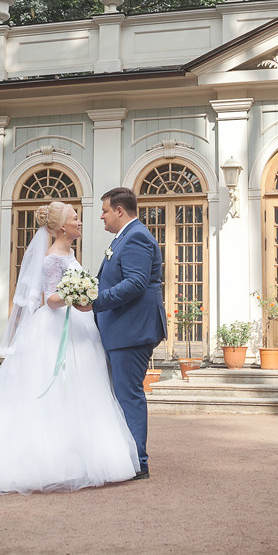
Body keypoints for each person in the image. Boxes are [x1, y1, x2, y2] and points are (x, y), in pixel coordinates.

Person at [0, 201, 139, 494]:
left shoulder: (70, 253)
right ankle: (47, 460)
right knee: (53, 388)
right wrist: (75, 293)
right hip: (55, 326)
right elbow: (50, 298)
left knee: (82, 388)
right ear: (63, 227)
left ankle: (77, 456)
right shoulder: (51, 259)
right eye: (75, 218)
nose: (80, 222)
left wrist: (82, 292)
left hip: (79, 326)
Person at [79, 187, 167, 480]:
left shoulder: (136, 236)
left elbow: (136, 283)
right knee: (122, 394)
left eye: (104, 211)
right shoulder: (124, 238)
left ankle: (138, 462)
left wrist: (96, 301)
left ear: (119, 211)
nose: (101, 217)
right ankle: (127, 457)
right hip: (122, 329)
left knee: (128, 395)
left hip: (131, 330)